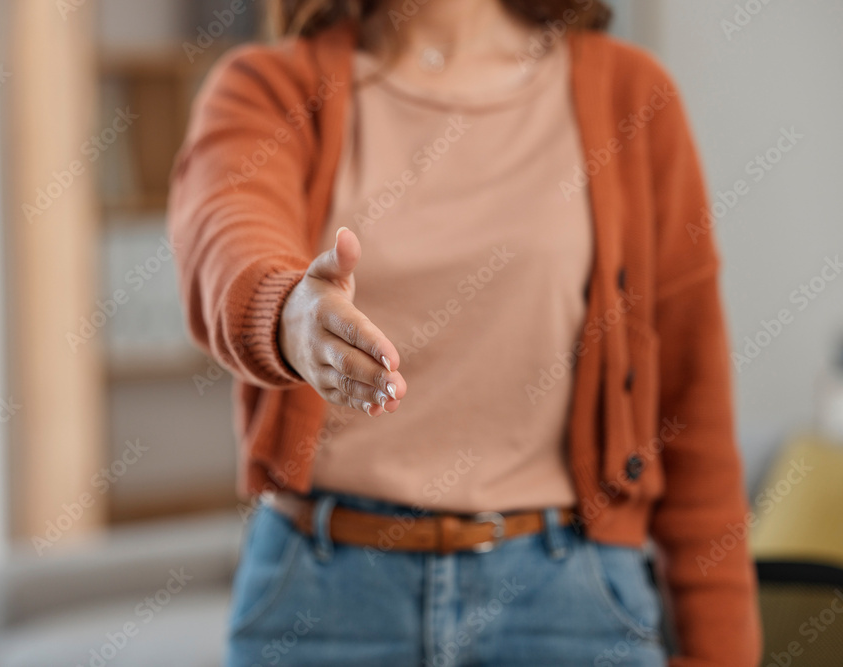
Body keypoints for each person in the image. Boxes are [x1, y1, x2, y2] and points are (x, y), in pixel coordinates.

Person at [168, 0, 762, 664]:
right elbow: (224, 230)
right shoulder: (267, 86)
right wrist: (288, 315)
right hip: (323, 599)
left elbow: (693, 406)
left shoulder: (631, 94)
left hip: (571, 603)